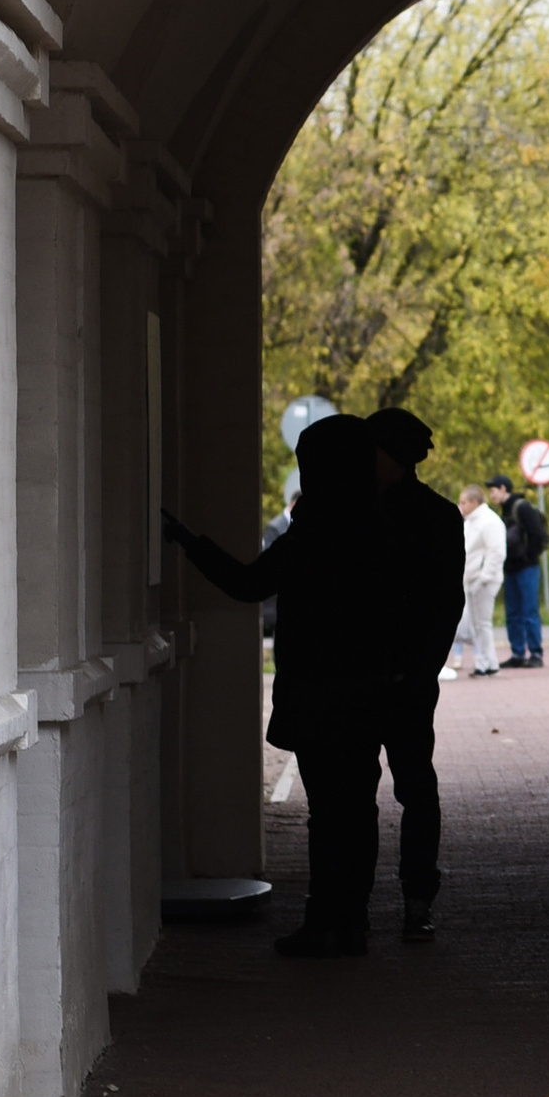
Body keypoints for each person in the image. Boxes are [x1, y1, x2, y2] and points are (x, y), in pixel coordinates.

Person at [166, 410, 393, 960]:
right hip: (367, 689)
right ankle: (352, 920)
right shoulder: (381, 527)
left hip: (317, 691)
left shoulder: (311, 532)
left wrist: (189, 542)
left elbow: (247, 583)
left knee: (329, 812)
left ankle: (325, 922)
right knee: (358, 807)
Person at [369, 409, 465, 943]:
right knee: (415, 787)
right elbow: (448, 602)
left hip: (387, 676)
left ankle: (389, 899)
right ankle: (415, 897)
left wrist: (418, 667)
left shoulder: (360, 516)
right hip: (403, 675)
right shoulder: (439, 514)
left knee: (391, 790)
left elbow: (445, 602)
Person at [446, 480, 507, 679]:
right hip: (471, 581)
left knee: (482, 624)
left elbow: (496, 552)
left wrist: (484, 577)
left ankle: (487, 664)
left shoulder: (488, 521)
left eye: (463, 502)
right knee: (478, 625)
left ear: (474, 502)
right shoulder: (471, 522)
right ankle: (486, 663)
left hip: (483, 582)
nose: (460, 506)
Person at [497, 471, 549, 667]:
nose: (491, 494)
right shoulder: (504, 510)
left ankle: (536, 653)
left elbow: (536, 534)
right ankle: (518, 653)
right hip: (510, 568)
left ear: (503, 489)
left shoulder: (522, 507)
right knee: (512, 613)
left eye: (493, 489)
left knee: (529, 611)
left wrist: (529, 556)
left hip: (527, 567)